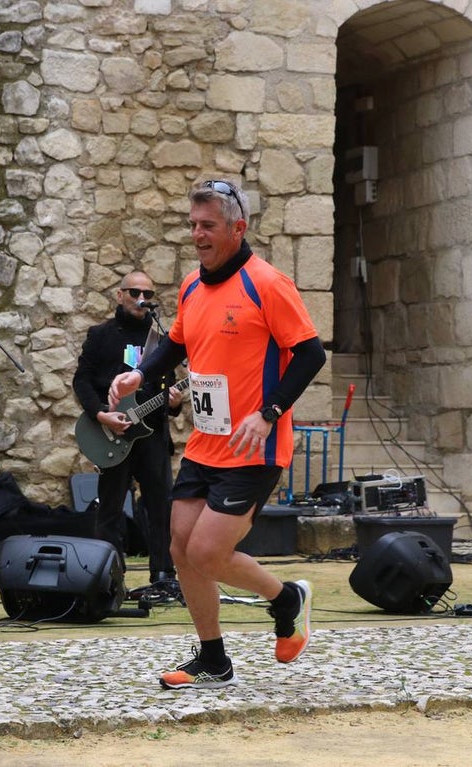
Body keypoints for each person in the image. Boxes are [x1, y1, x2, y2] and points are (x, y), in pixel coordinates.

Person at [109, 179, 326, 689]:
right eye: (193, 225)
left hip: (255, 444)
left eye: (208, 226)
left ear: (237, 228)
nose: (198, 235)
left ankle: (287, 598)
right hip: (208, 442)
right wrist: (143, 374)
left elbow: (311, 354)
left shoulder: (267, 283)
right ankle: (213, 658)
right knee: (181, 549)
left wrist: (269, 412)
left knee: (208, 551)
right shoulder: (191, 285)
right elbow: (177, 344)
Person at [73, 271, 183, 582]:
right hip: (113, 434)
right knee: (110, 510)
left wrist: (175, 403)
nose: (141, 300)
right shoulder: (101, 335)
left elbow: (169, 386)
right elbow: (81, 381)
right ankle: (107, 578)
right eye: (134, 292)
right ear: (120, 295)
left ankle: (163, 574)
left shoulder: (161, 341)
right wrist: (100, 414)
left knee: (161, 507)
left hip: (152, 436)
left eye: (148, 294)